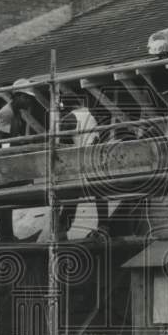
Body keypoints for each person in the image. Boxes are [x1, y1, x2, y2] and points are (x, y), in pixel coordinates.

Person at [0, 79, 37, 245]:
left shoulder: (15, 113)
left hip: (6, 161)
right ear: (18, 96)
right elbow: (1, 141)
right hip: (1, 162)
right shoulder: (7, 113)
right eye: (27, 98)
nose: (29, 101)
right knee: (1, 200)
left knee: (2, 200)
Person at [56, 93, 109, 241]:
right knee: (99, 193)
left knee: (70, 196)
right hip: (95, 161)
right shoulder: (90, 114)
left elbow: (62, 146)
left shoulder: (68, 119)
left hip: (79, 164)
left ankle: (61, 229)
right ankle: (104, 226)